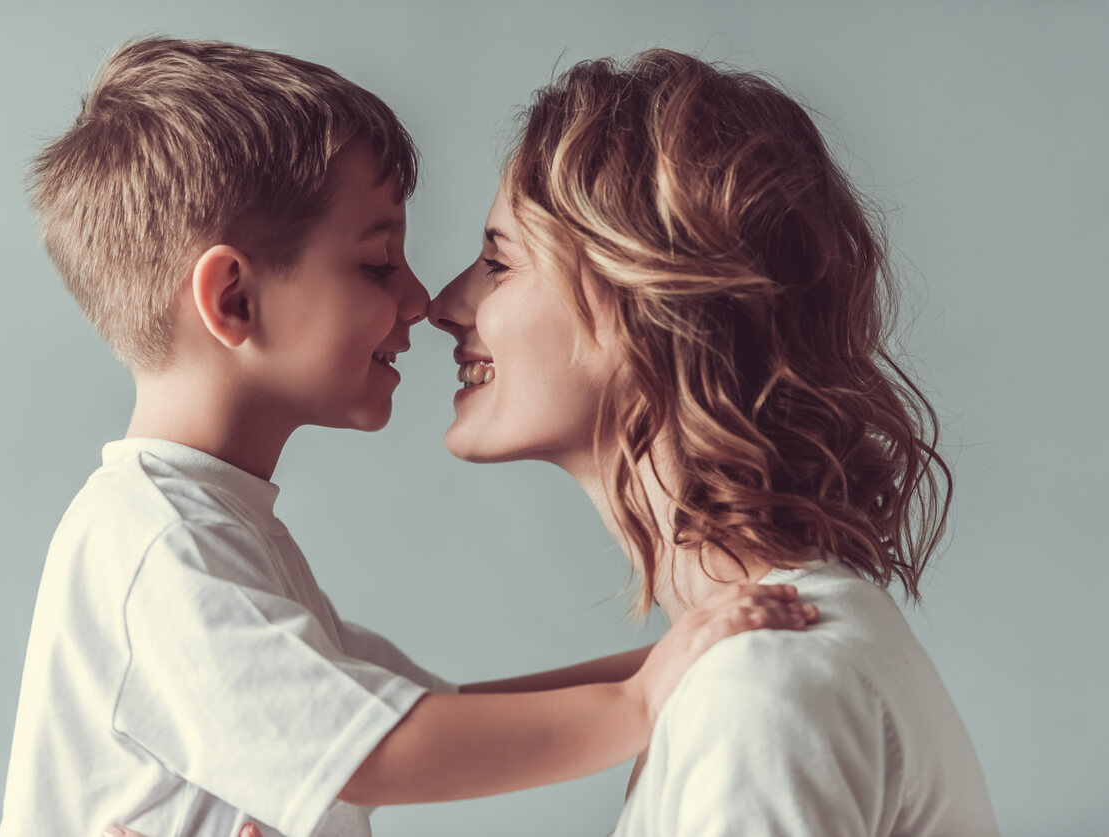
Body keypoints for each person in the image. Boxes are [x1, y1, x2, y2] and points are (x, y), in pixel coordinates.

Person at [166, 48, 1001, 836]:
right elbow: (410, 709)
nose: (444, 304)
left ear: (645, 300)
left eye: (498, 263)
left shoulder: (763, 683)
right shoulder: (745, 661)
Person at [0, 38, 816, 837]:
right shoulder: (156, 547)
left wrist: (678, 653)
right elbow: (375, 751)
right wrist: (639, 704)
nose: (423, 299)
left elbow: (440, 713)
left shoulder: (209, 533)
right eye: (379, 263)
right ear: (234, 301)